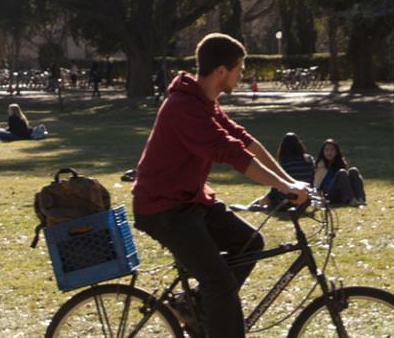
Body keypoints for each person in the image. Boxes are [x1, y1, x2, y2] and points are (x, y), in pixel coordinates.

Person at [130, 33, 312, 338]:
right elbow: (229, 152)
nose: (242, 75)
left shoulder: (203, 101)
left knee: (250, 243)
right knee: (220, 283)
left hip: (190, 202)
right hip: (164, 209)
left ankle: (195, 306)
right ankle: (208, 312)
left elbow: (243, 140)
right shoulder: (184, 106)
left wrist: (290, 181)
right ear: (221, 71)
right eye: (239, 68)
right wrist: (282, 185)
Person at [312, 139, 366, 206]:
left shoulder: (340, 163)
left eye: (332, 150)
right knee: (342, 172)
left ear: (336, 151)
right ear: (323, 152)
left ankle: (360, 199)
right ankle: (352, 200)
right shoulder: (320, 165)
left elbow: (347, 181)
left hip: (342, 192)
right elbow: (316, 185)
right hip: (329, 194)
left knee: (353, 170)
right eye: (326, 150)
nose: (329, 152)